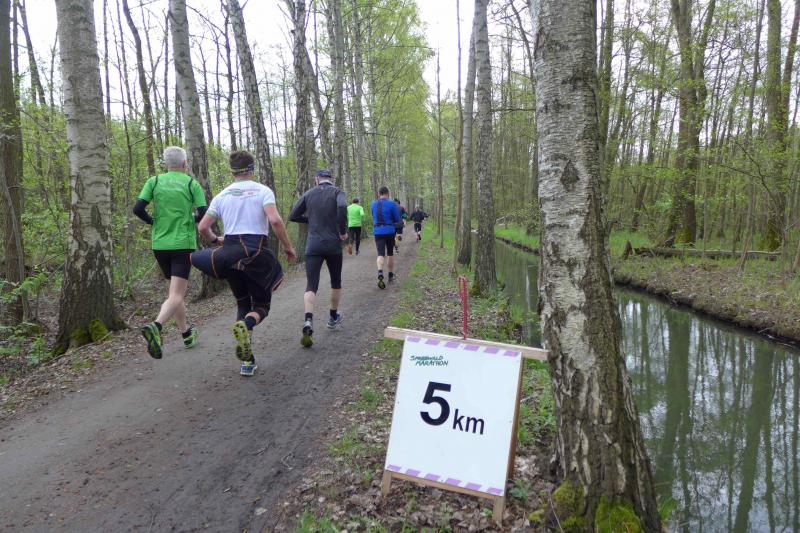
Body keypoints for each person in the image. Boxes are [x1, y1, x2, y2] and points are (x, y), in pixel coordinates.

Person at [192, 151, 296, 376]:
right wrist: (288, 247)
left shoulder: (222, 195)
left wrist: (215, 240)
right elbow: (275, 220)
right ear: (251, 169)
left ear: (232, 171)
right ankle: (246, 325)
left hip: (229, 253)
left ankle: (247, 362)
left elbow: (202, 227)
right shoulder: (262, 191)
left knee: (242, 303)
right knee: (261, 306)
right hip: (256, 252)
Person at [134, 146, 207, 359]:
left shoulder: (154, 181)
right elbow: (204, 212)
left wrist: (153, 222)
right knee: (176, 294)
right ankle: (156, 326)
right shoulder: (191, 184)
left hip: (160, 244)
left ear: (166, 164)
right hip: (182, 243)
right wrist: (191, 220)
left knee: (174, 293)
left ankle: (186, 334)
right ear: (185, 164)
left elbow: (137, 209)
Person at [289, 169, 348, 347]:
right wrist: (342, 230)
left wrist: (311, 220)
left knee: (311, 285)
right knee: (335, 282)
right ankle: (332, 317)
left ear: (317, 180)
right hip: (333, 244)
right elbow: (342, 208)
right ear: (331, 179)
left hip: (313, 245)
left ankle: (308, 320)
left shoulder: (309, 194)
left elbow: (293, 215)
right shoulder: (338, 192)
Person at [371, 186, 402, 289]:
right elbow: (397, 219)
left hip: (377, 231)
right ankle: (390, 275)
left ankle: (380, 271)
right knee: (390, 253)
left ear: (379, 193)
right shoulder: (392, 204)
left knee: (380, 254)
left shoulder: (373, 204)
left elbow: (373, 216)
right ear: (387, 193)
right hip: (389, 231)